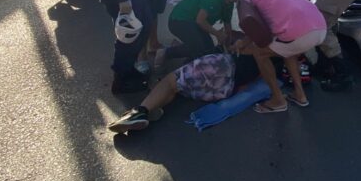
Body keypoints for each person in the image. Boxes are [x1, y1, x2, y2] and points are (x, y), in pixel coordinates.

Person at [107, 51, 260, 133]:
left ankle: (139, 111)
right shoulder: (277, 60)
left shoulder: (264, 38)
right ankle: (151, 109)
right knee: (177, 88)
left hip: (222, 65)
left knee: (171, 81)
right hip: (225, 89)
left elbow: (243, 44)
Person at [270, 0, 361, 91]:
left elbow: (287, 10)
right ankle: (324, 66)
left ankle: (344, 74)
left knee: (319, 25)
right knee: (325, 23)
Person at [235, 0, 327, 113]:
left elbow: (254, 26)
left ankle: (278, 100)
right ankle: (300, 95)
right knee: (288, 51)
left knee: (259, 52)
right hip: (320, 28)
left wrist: (241, 43)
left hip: (299, 34)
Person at [154, 0, 245, 67]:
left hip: (195, 25)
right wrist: (218, 34)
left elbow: (228, 26)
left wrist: (228, 46)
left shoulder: (229, 4)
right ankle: (165, 53)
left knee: (209, 51)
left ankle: (181, 50)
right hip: (178, 20)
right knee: (198, 48)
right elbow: (200, 20)